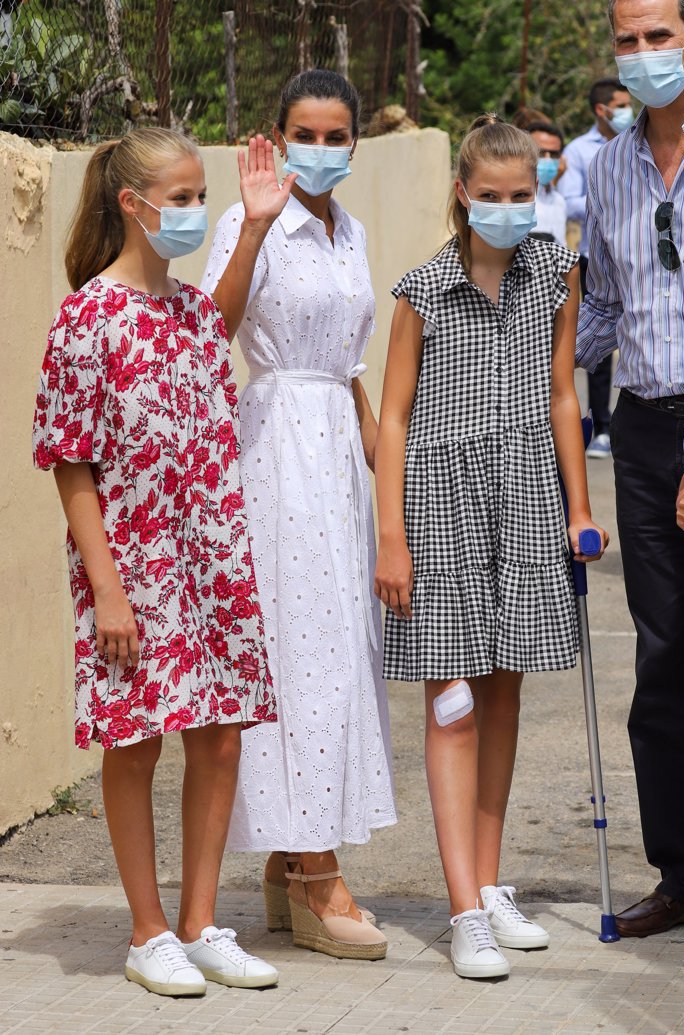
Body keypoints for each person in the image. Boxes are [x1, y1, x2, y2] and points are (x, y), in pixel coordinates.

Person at [31, 128, 281, 997]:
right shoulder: (85, 318)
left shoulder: (185, 311)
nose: (193, 211)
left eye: (199, 195)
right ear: (132, 205)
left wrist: (251, 229)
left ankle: (201, 919)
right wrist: (107, 591)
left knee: (218, 731)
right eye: (180, 198)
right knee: (134, 741)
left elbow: (223, 320)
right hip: (132, 569)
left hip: (209, 556)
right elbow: (70, 463)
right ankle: (147, 932)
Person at [375, 114, 607, 981]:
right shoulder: (422, 290)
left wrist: (579, 508)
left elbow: (561, 396)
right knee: (455, 703)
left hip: (526, 499)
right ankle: (462, 907)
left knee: (505, 693)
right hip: (440, 503)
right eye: (492, 196)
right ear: (463, 194)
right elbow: (393, 418)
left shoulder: (554, 272)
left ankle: (489, 878)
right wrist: (390, 535)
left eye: (524, 196)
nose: (508, 210)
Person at [201, 69, 396, 962]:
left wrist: (362, 421)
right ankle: (319, 872)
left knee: (333, 648)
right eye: (303, 133)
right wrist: (248, 224)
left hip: (336, 452)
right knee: (296, 654)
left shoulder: (349, 229)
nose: (320, 149)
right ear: (275, 137)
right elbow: (214, 327)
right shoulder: (256, 220)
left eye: (335, 135)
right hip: (276, 445)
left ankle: (287, 864)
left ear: (355, 142)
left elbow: (346, 347)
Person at [577, 0, 684, 938]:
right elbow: (603, 309)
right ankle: (680, 873)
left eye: (660, 35)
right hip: (644, 432)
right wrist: (523, 363)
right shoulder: (607, 167)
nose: (645, 55)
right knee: (663, 659)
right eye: (630, 39)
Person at [558, 76, 634, 459]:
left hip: (636, 255)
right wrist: (604, 201)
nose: (626, 110)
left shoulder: (641, 142)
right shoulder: (582, 151)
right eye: (619, 104)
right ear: (601, 110)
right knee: (599, 343)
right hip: (593, 255)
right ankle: (601, 425)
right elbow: (570, 201)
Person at [528, 120, 568, 245]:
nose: (548, 159)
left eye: (554, 154)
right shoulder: (514, 200)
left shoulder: (559, 200)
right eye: (540, 152)